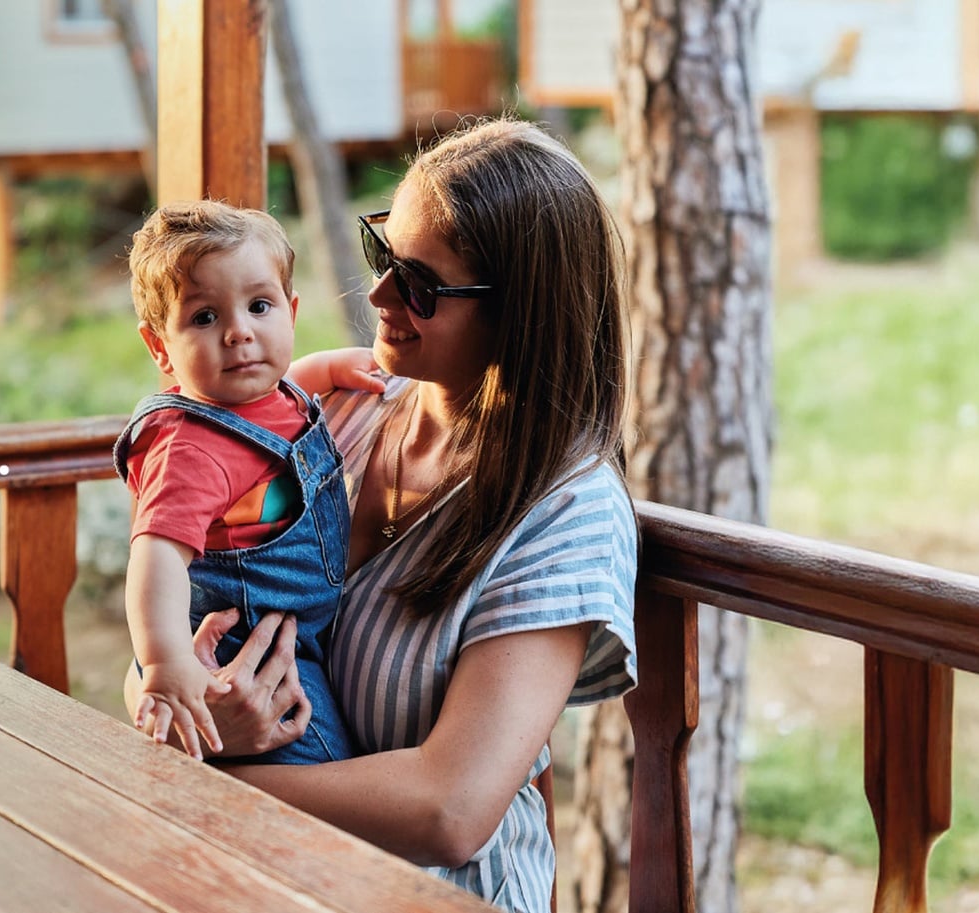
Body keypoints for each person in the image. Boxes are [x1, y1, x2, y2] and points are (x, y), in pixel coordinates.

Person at [124, 120, 640, 913]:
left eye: (420, 285)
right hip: (265, 880)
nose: (377, 297)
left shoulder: (568, 510)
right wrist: (180, 704)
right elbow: (181, 607)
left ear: (521, 312)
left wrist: (206, 778)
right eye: (383, 254)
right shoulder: (331, 412)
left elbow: (450, 810)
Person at [114, 200, 381, 764]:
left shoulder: (272, 394)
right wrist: (165, 662)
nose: (239, 333)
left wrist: (327, 368)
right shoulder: (190, 449)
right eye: (204, 318)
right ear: (160, 346)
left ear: (291, 311)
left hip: (296, 633)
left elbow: (277, 411)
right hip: (251, 657)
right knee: (322, 756)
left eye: (260, 306)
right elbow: (156, 557)